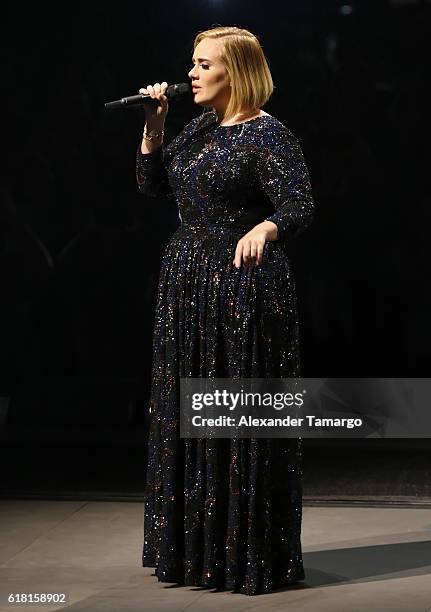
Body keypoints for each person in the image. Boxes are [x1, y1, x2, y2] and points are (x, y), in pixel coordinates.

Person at [136, 25, 314, 596]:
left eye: (203, 64)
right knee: (183, 411)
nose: (190, 73)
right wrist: (155, 126)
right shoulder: (199, 128)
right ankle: (194, 554)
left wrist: (267, 225)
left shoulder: (268, 134)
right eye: (192, 62)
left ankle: (244, 554)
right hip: (187, 286)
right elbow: (153, 186)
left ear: (234, 73)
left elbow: (299, 203)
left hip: (242, 286)